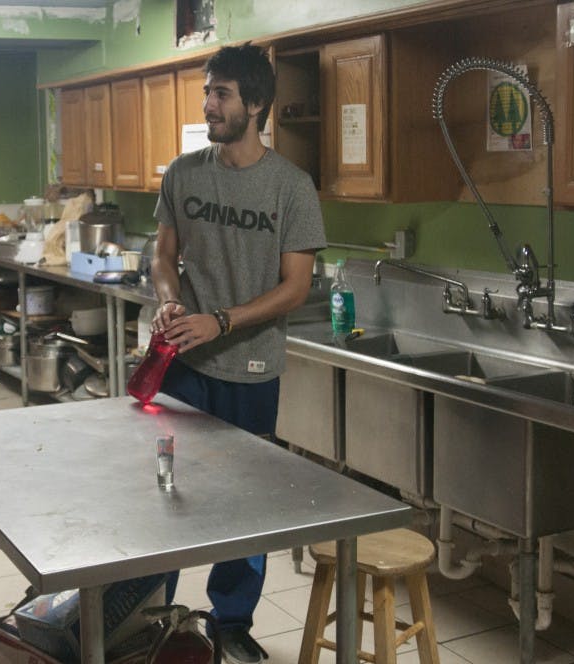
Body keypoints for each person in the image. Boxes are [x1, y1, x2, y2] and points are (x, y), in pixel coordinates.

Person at [151, 43, 327, 663]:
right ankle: (155, 618)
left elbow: (295, 287)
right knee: (168, 492)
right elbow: (162, 256)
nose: (209, 105)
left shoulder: (291, 188)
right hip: (185, 368)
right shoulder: (184, 173)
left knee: (244, 504)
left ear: (255, 104)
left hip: (252, 370)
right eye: (208, 92)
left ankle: (231, 621)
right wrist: (170, 301)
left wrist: (221, 320)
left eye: (221, 94)